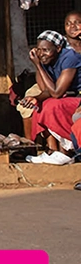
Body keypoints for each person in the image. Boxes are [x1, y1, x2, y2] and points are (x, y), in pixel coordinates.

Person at [23, 31, 81, 165]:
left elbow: (56, 93)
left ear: (58, 48)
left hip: (78, 97)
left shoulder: (69, 57)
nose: (42, 53)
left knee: (53, 106)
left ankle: (66, 151)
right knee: (39, 105)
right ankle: (52, 150)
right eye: (39, 50)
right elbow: (45, 89)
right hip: (67, 96)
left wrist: (38, 65)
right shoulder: (47, 60)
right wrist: (36, 97)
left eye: (46, 50)